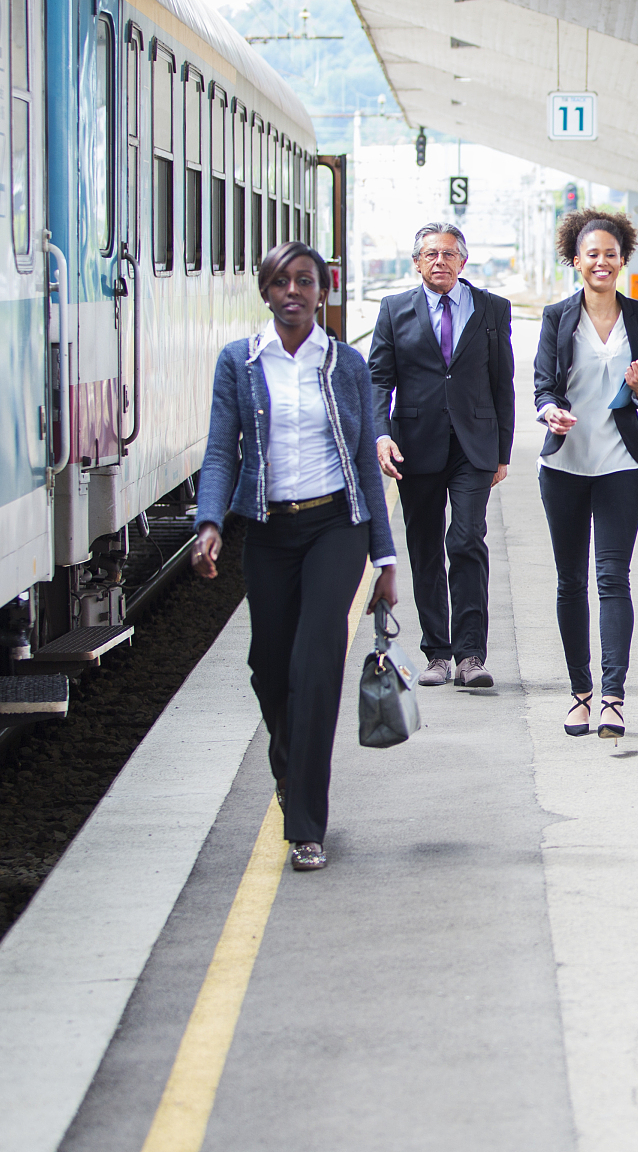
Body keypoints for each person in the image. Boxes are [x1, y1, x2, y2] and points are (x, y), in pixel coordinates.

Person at [191, 240, 398, 873]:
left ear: (322, 292)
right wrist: (209, 523)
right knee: (268, 669)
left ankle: (306, 823)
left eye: (305, 282)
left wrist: (384, 560)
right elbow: (223, 450)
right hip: (270, 533)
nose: (292, 292)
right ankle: (291, 773)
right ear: (265, 292)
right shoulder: (240, 362)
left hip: (336, 528)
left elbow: (366, 460)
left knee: (315, 667)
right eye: (281, 282)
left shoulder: (346, 365)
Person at [368, 223, 515, 689]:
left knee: (467, 539)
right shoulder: (394, 310)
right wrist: (380, 435)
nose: (440, 261)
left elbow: (502, 383)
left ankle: (471, 655)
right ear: (417, 262)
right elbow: (378, 380)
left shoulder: (492, 308)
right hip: (416, 445)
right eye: (430, 254)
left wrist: (503, 452)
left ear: (463, 261)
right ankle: (437, 653)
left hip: (474, 446)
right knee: (425, 548)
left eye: (449, 254)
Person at [532, 210, 638, 739]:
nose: (601, 262)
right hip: (564, 464)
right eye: (592, 254)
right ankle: (579, 694)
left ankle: (613, 698)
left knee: (612, 579)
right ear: (575, 260)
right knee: (570, 582)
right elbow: (542, 387)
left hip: (619, 465)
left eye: (611, 253)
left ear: (623, 258)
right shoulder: (557, 316)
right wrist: (549, 412)